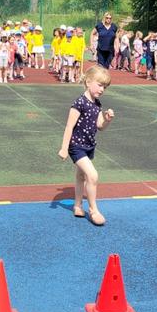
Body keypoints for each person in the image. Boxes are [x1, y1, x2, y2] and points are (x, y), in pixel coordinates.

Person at [58, 65, 114, 226]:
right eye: (100, 85)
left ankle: (77, 206)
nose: (102, 89)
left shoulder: (97, 104)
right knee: (92, 175)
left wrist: (107, 120)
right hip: (76, 146)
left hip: (89, 145)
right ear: (88, 82)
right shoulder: (79, 103)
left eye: (105, 87)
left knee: (81, 176)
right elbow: (69, 126)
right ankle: (93, 210)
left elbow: (100, 126)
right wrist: (64, 148)